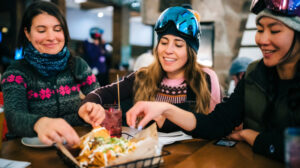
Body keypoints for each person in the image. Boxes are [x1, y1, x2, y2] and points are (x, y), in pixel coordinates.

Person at [126, 0, 300, 161]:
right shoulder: (254, 74)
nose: (262, 40)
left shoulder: (206, 77)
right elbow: (216, 123)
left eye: (275, 30)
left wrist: (249, 136)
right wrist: (165, 108)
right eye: (260, 30)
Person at [79, 6, 221, 133]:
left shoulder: (205, 78)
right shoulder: (142, 76)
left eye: (178, 45)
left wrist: (164, 117)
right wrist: (89, 105)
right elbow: (102, 93)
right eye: (164, 42)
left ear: (191, 51)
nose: (168, 50)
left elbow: (214, 126)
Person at [0, 1, 100, 146]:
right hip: (25, 151)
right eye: (41, 31)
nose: (51, 37)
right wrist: (39, 123)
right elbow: (14, 118)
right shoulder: (16, 72)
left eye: (57, 29)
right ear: (27, 34)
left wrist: (95, 109)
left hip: (73, 145)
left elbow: (98, 97)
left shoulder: (78, 64)